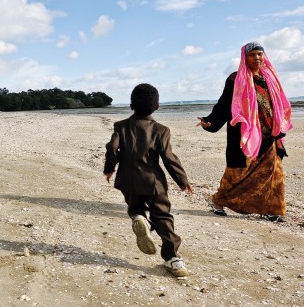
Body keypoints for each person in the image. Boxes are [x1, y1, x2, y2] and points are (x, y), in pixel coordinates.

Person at [104, 83, 193, 277]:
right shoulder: (161, 130)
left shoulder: (121, 126)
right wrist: (182, 179)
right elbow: (169, 157)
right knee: (163, 216)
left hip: (127, 180)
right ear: (157, 106)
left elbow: (112, 148)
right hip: (154, 182)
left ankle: (139, 218)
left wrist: (109, 169)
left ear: (131, 104)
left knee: (135, 208)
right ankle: (172, 258)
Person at [197, 42, 292, 222]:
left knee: (275, 173)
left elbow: (277, 104)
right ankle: (218, 201)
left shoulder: (269, 78)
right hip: (246, 136)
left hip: (270, 135)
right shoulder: (235, 79)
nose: (257, 58)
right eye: (252, 55)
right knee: (237, 173)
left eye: (260, 54)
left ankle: (273, 209)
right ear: (244, 57)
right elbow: (225, 105)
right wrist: (210, 121)